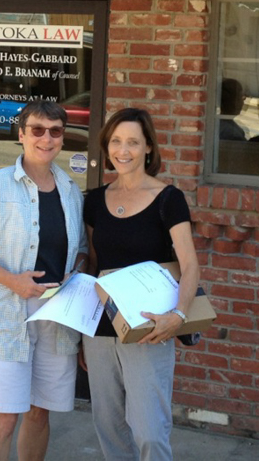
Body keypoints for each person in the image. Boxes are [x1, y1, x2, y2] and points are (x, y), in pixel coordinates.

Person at [0, 99, 88, 461]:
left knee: (39, 413)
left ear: (63, 138)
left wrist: (75, 272)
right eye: (37, 130)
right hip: (6, 315)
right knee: (3, 420)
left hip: (55, 317)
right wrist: (13, 281)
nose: (46, 139)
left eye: (55, 131)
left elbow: (80, 248)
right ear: (21, 134)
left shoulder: (70, 191)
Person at [81, 108, 201, 461]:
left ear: (148, 147)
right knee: (109, 427)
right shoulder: (94, 200)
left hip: (150, 329)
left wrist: (178, 315)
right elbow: (93, 265)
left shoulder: (168, 199)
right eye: (116, 141)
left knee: (150, 431)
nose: (123, 150)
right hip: (100, 330)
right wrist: (79, 332)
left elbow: (190, 265)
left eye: (133, 142)